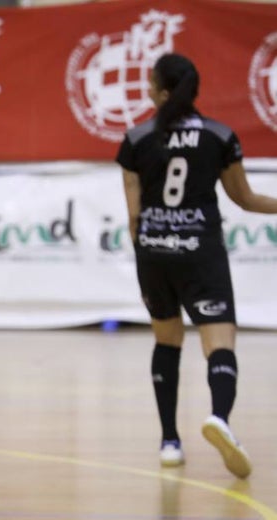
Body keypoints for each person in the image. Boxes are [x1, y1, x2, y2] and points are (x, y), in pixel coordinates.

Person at [117, 53, 277, 478]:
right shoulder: (219, 135)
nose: (147, 91)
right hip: (201, 253)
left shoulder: (136, 139)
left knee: (166, 341)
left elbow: (132, 216)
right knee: (219, 342)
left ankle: (170, 441)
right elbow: (246, 198)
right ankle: (219, 417)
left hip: (154, 254)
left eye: (151, 84)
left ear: (164, 92)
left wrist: (151, 249)